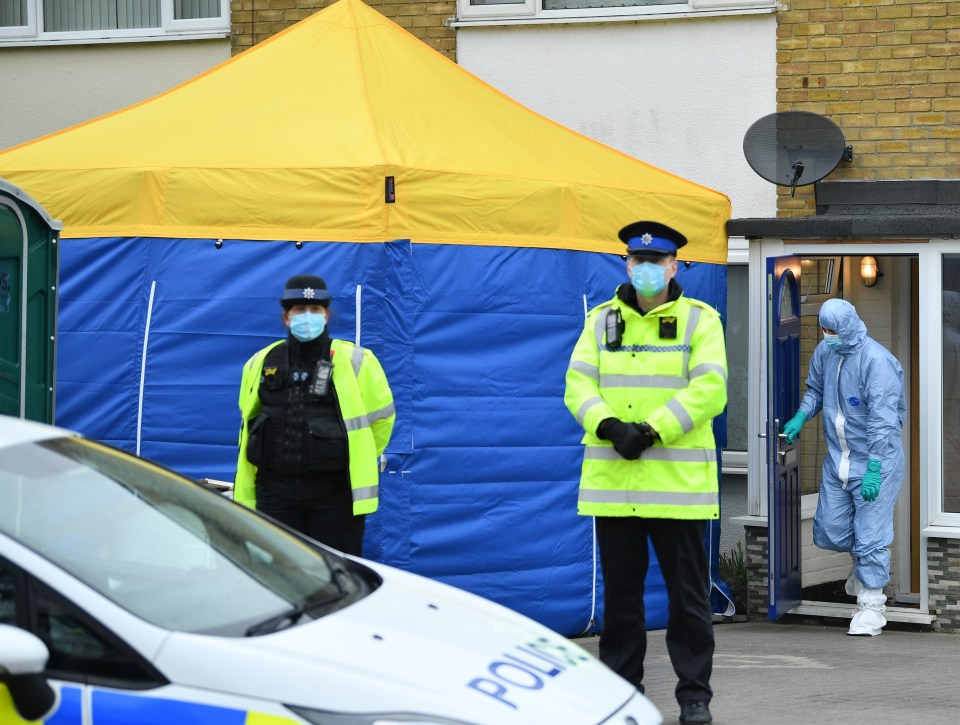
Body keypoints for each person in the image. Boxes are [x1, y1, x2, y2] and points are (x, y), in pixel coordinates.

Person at [564, 221, 727, 725]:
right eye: (639, 260)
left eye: (658, 262)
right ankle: (621, 694)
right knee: (621, 603)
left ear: (675, 266)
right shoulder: (599, 321)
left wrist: (652, 430)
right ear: (626, 264)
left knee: (688, 602)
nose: (648, 269)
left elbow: (711, 391)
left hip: (676, 489)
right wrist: (609, 425)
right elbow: (577, 386)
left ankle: (694, 697)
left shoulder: (701, 321)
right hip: (616, 488)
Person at [234, 274, 395, 556]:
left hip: (334, 498)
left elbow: (381, 422)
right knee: (279, 578)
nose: (307, 316)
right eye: (299, 310)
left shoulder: (358, 360)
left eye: (315, 310)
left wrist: (357, 456)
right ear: (286, 317)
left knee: (337, 577)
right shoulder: (260, 362)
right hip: (274, 496)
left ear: (326, 315)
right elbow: (247, 420)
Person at [782, 298, 905, 636]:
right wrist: (800, 416)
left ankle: (871, 607)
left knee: (871, 534)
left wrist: (876, 468)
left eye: (833, 329)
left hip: (876, 460)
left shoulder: (876, 362)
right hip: (839, 460)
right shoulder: (826, 353)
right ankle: (863, 566)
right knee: (830, 529)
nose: (828, 334)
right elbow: (815, 392)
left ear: (850, 324)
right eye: (824, 329)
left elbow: (883, 422)